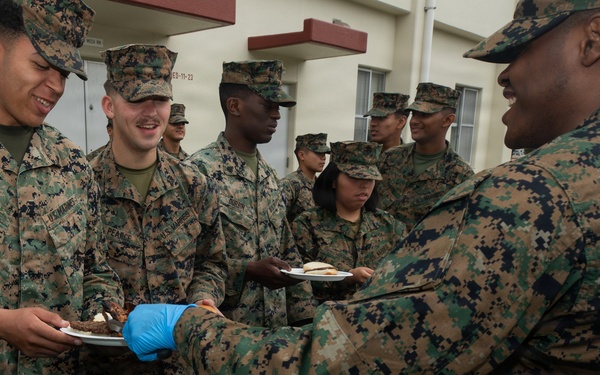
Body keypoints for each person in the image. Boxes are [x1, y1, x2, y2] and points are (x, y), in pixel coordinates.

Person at [122, 0, 600, 372]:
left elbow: (362, 357)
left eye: (520, 50)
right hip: (233, 325)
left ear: (592, 40)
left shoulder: (540, 193)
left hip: (255, 342)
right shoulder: (197, 172)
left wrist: (185, 327)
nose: (504, 74)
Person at [86, 44, 227, 374]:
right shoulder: (81, 183)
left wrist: (204, 300)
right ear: (109, 106)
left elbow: (213, 261)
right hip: (105, 363)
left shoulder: (194, 184)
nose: (151, 112)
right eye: (137, 100)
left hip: (181, 360)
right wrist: (109, 317)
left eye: (160, 100)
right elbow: (75, 272)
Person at [0, 0, 124, 373]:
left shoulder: (71, 162)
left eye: (65, 74)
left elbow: (94, 268)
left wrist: (108, 323)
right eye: (41, 65)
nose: (55, 86)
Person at [188, 59, 317, 328]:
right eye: (268, 106)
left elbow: (287, 249)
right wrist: (245, 272)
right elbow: (186, 262)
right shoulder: (197, 172)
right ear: (234, 106)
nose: (277, 116)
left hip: (274, 334)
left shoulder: (270, 177)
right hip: (224, 333)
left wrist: (306, 320)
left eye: (278, 108)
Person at [292, 141, 406, 303]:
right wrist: (347, 277)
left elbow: (407, 271)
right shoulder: (307, 224)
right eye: (355, 177)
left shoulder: (389, 225)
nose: (364, 185)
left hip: (379, 316)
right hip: (328, 318)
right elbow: (298, 283)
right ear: (333, 181)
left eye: (370, 178)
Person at [377, 82, 474, 231]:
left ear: (448, 120)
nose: (414, 121)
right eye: (414, 114)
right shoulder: (389, 158)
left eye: (425, 115)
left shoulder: (460, 175)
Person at [280, 133, 330, 223]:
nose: (323, 158)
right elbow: (278, 221)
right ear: (302, 155)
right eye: (318, 153)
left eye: (324, 153)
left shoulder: (321, 185)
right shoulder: (289, 184)